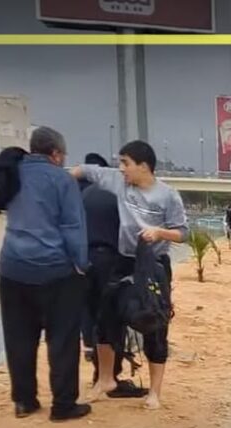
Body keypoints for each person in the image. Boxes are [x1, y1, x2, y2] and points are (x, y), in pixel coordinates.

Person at [72, 140, 188, 410]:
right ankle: (105, 381)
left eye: (125, 163)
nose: (121, 168)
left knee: (154, 323)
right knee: (104, 318)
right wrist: (56, 182)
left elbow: (183, 232)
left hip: (154, 266)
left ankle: (155, 393)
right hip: (123, 262)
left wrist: (159, 233)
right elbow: (83, 171)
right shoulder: (118, 182)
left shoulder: (168, 196)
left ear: (143, 166)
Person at [0, 127, 91, 421]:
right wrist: (81, 264)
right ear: (56, 154)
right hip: (56, 271)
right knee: (62, 339)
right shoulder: (61, 180)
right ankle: (63, 405)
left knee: (19, 337)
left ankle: (24, 401)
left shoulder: (11, 173)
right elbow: (72, 227)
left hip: (12, 268)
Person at [80, 152, 146, 399]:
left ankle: (101, 374)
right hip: (112, 261)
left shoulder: (84, 195)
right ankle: (110, 378)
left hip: (86, 261)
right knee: (114, 320)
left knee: (95, 319)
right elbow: (131, 233)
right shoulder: (122, 196)